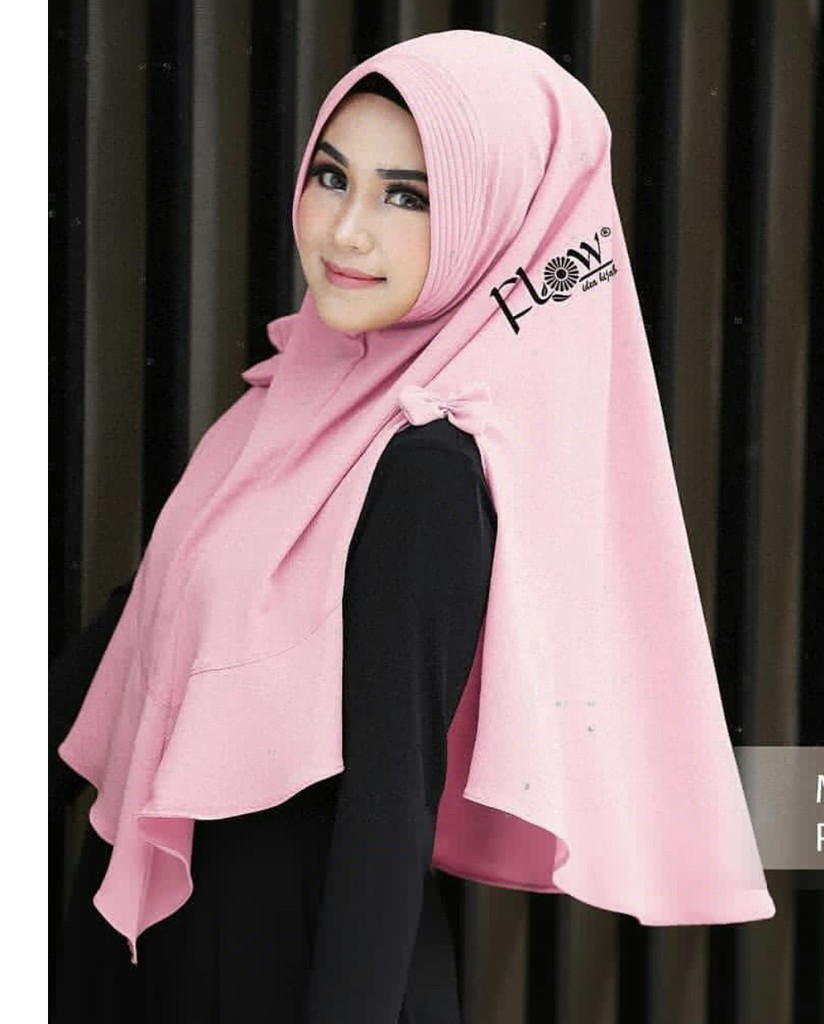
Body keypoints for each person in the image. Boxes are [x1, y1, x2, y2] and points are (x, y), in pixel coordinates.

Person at [54, 28, 775, 1023]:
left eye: (408, 197)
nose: (346, 232)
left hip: (295, 971)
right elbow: (140, 628)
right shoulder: (282, 406)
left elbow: (387, 811)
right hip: (162, 954)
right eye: (332, 177)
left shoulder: (427, 466)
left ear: (496, 221)